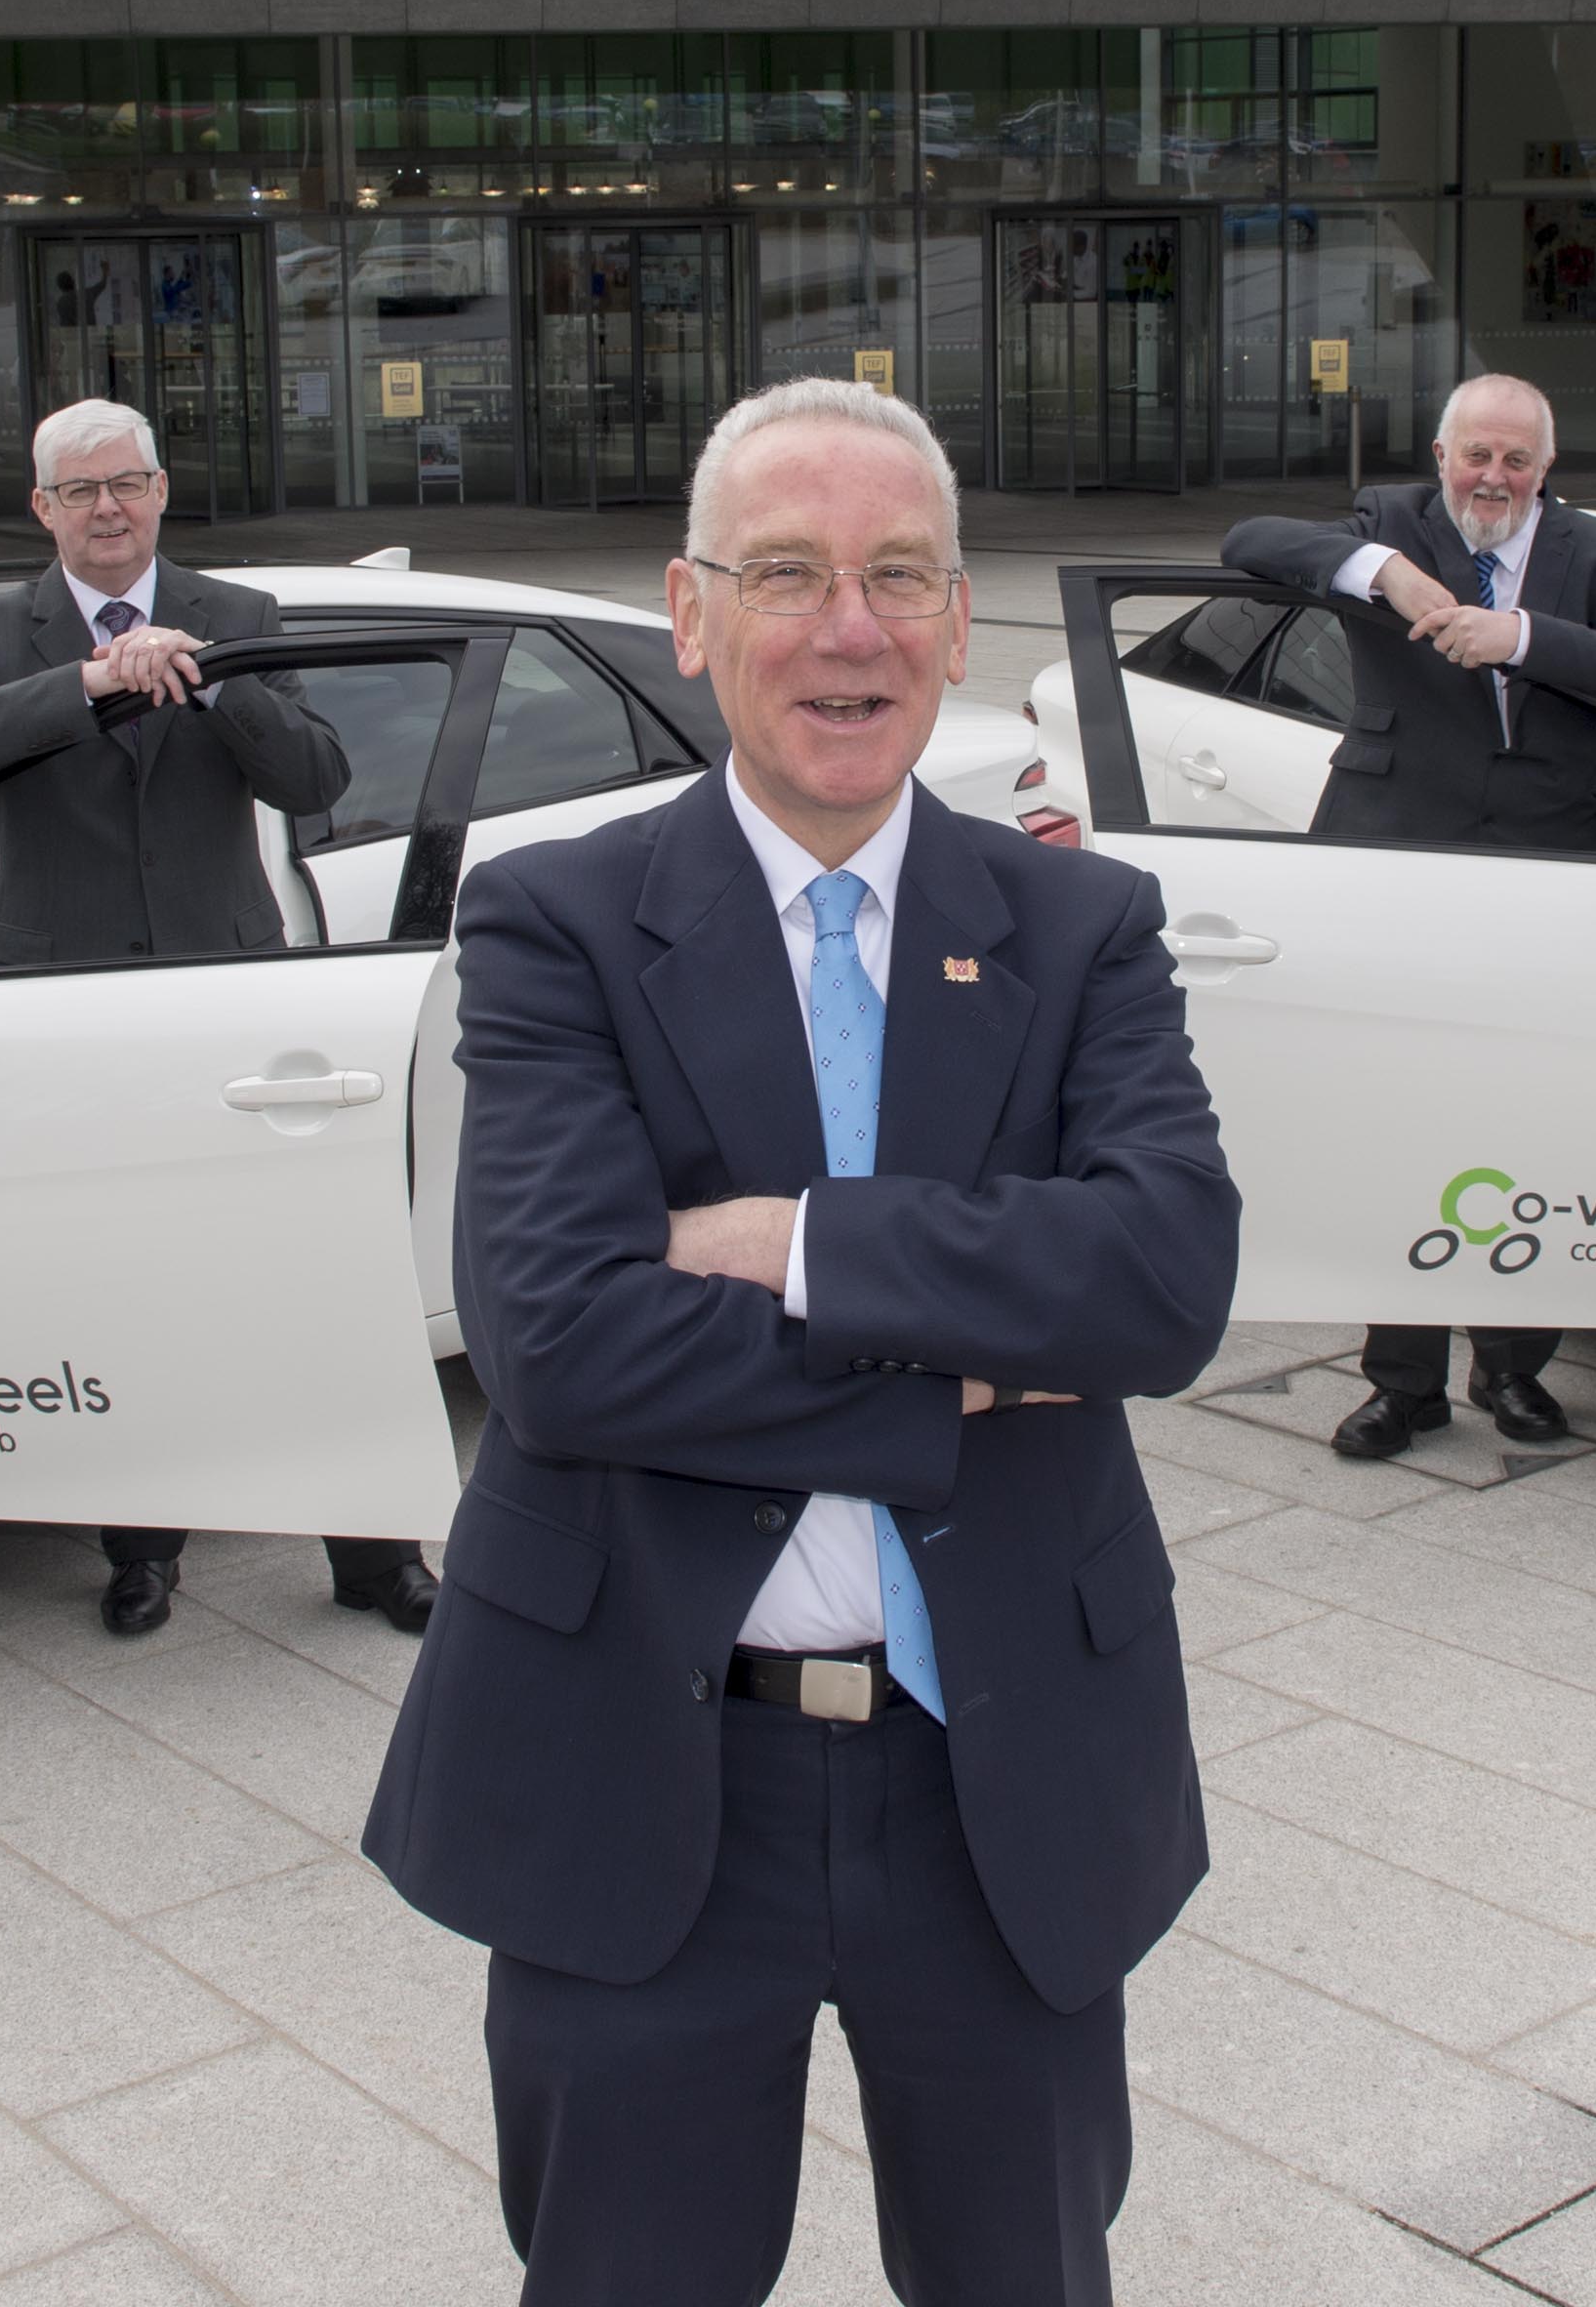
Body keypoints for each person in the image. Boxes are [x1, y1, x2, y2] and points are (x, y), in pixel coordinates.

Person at [363, 376, 1240, 2307]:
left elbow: (1168, 1282)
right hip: (644, 1783)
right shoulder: (557, 924)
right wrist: (971, 1350)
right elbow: (568, 1348)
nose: (849, 627)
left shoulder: (1081, 926)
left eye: (897, 576)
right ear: (692, 615)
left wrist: (796, 1245)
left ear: (953, 620)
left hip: (994, 1778)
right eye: (788, 574)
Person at [0, 396, 437, 1639]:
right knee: (116, 1285)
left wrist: (208, 681)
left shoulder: (235, 616)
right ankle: (142, 1552)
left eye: (126, 483)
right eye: (81, 491)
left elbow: (317, 776)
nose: (109, 508)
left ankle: (372, 1555)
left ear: (162, 489)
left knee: (307, 1282)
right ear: (43, 509)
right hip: (68, 1015)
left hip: (229, 1001)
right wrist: (86, 681)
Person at [1222, 373, 1596, 1463]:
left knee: (1530, 1121)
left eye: (1517, 459)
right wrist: (1381, 570)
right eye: (1477, 454)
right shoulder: (1391, 521)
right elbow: (1248, 538)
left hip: (1548, 879)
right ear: (1440, 455)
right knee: (1397, 1118)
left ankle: (1515, 1370)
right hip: (1398, 867)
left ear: (1545, 469)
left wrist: (1517, 634)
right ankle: (1403, 1384)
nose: (1494, 477)